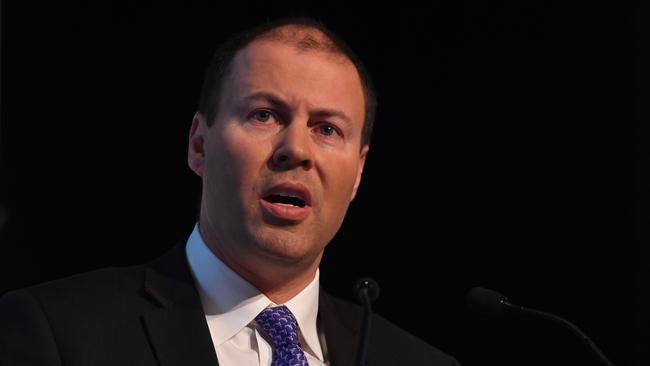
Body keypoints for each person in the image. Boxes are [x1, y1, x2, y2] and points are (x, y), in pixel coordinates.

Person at [0, 17, 459, 365]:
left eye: (326, 128)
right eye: (265, 115)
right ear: (199, 144)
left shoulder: (415, 360)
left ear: (357, 173)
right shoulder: (59, 333)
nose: (295, 149)